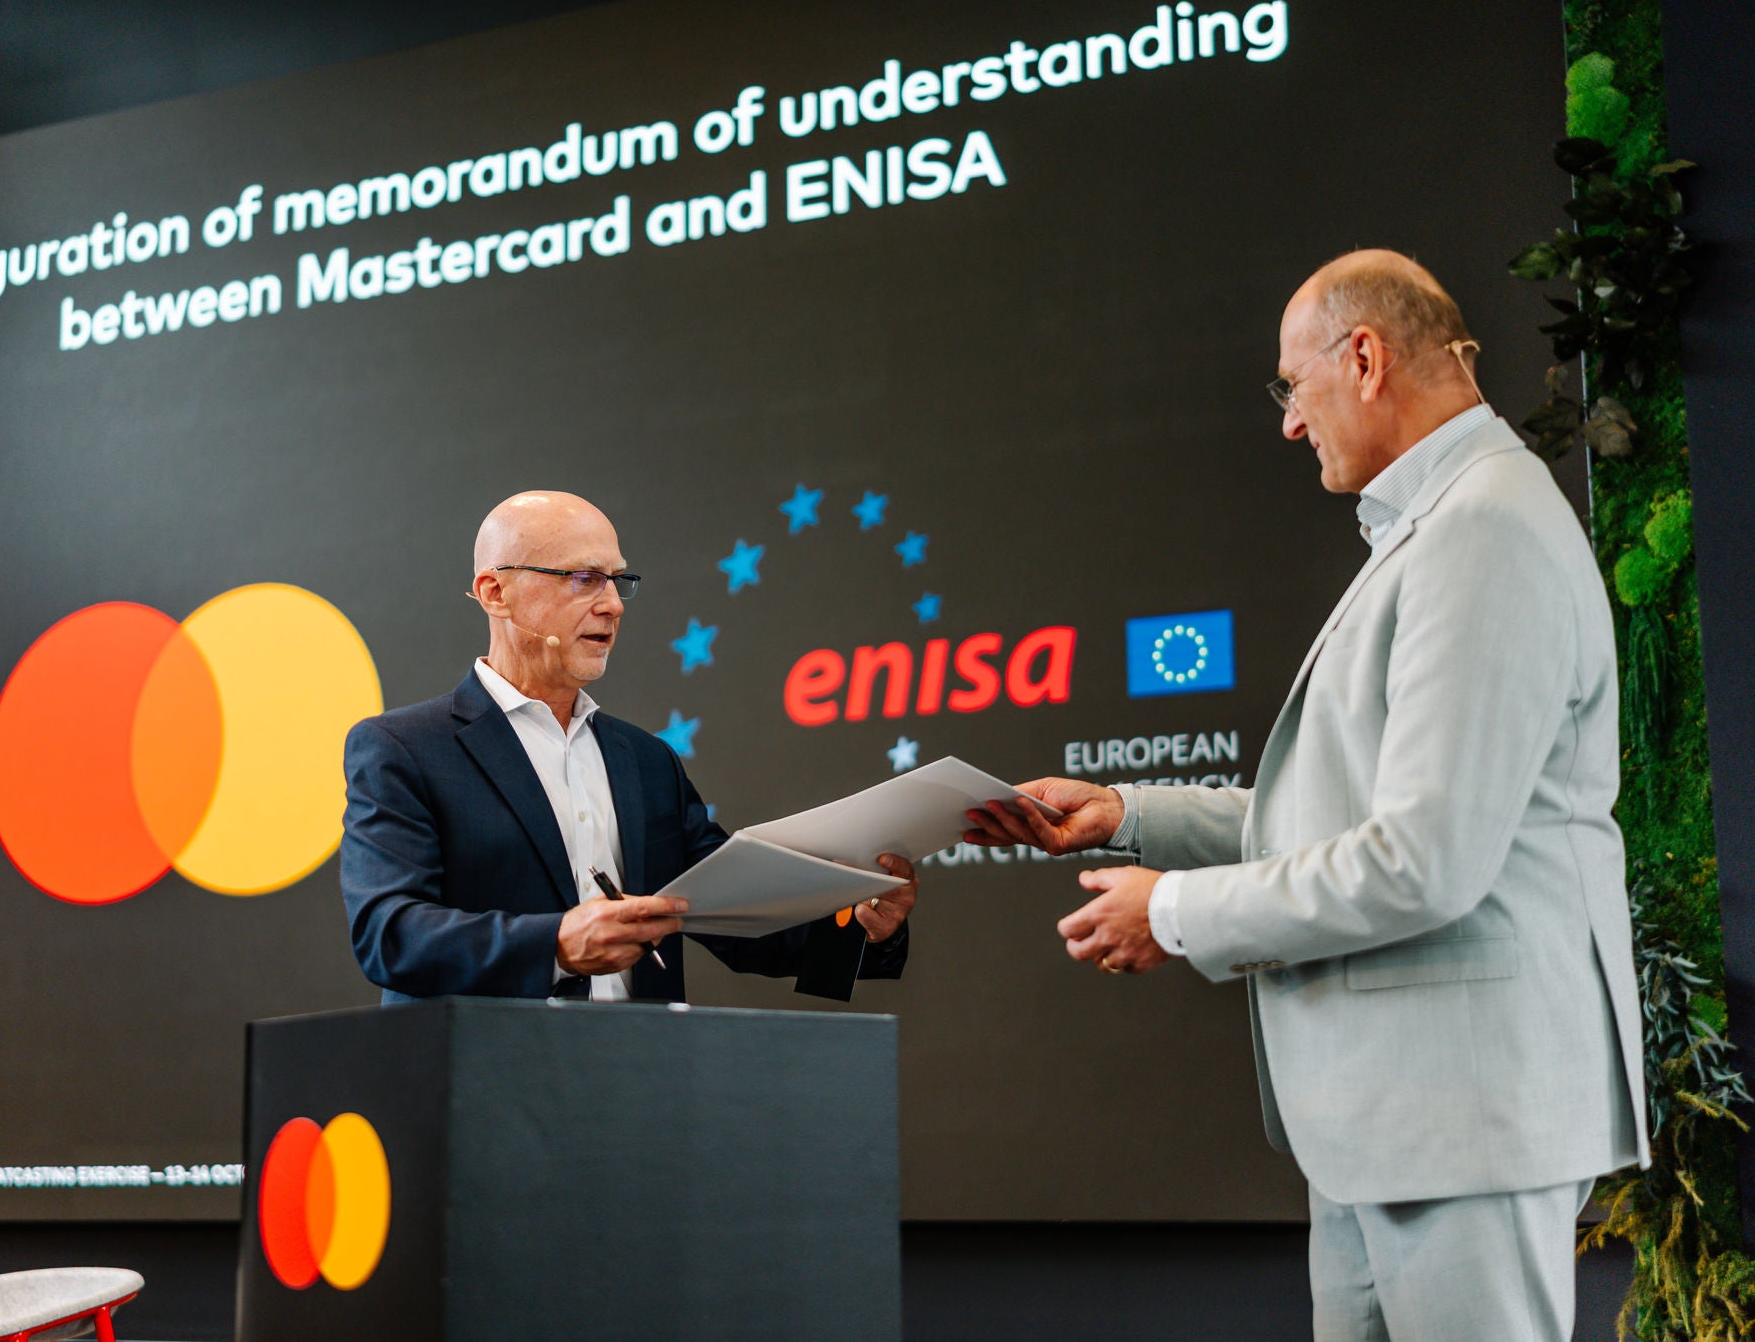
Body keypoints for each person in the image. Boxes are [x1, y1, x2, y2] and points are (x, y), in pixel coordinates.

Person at [969, 251, 1644, 1340]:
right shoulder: (1440, 526)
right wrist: (1128, 815)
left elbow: (1420, 859)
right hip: (1387, 1129)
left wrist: (1172, 913)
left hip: (1459, 1119)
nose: (1288, 423)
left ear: (1364, 357)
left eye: (1293, 386)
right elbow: (1343, 819)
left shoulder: (1479, 530)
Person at [341, 489, 916, 1004]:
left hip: (639, 1087)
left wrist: (862, 925)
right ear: (497, 592)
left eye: (618, 581)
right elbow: (390, 935)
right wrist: (557, 946)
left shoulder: (645, 761)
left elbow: (731, 918)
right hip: (490, 1093)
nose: (613, 604)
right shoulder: (405, 748)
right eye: (584, 578)